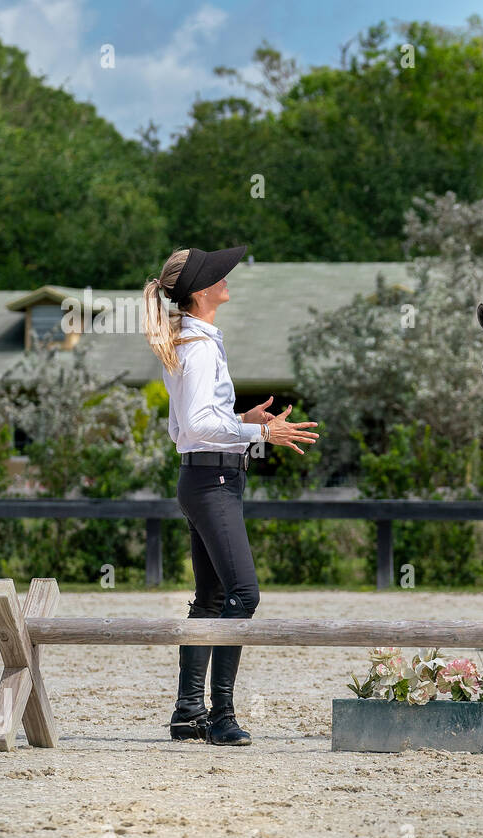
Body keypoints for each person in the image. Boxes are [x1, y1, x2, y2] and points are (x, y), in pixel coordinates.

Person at [143, 246, 320, 745]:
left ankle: (187, 710)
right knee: (244, 594)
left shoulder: (191, 340)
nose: (228, 276)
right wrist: (260, 437)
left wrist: (243, 421)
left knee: (211, 599)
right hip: (212, 482)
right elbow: (196, 425)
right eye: (218, 274)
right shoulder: (196, 347)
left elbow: (183, 426)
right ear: (201, 292)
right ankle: (220, 716)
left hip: (200, 478)